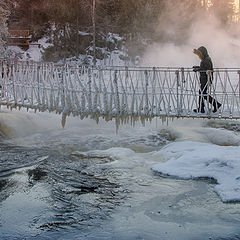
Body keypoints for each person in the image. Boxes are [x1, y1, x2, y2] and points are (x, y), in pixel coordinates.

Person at [193, 46, 221, 113]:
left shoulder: (207, 59)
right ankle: (203, 107)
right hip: (204, 79)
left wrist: (198, 69)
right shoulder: (206, 59)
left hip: (206, 79)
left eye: (199, 54)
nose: (199, 56)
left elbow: (207, 69)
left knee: (202, 93)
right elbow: (204, 67)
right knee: (202, 93)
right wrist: (198, 67)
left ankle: (213, 105)